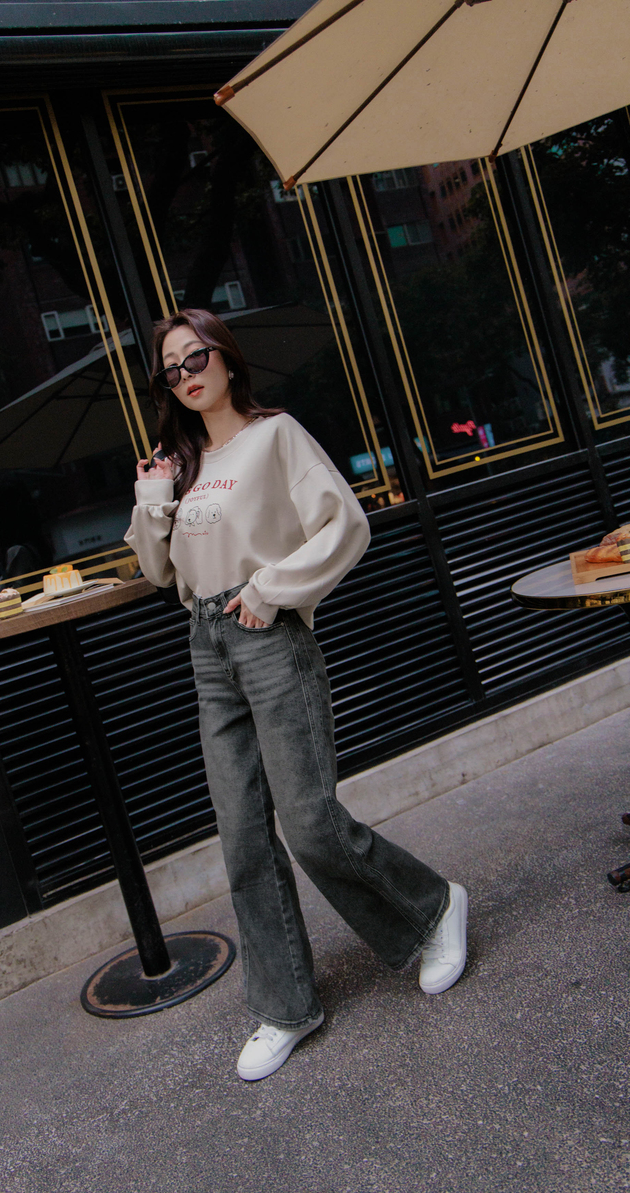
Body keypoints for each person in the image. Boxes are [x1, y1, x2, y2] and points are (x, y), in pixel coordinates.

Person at [125, 309, 468, 1082]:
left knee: (309, 822)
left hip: (268, 636)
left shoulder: (275, 436)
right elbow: (159, 572)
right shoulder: (179, 465)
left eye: (196, 357)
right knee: (243, 838)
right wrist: (152, 498)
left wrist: (272, 588)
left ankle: (434, 907)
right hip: (207, 648)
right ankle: (284, 1006)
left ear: (226, 357)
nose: (185, 375)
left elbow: (345, 525)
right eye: (171, 369)